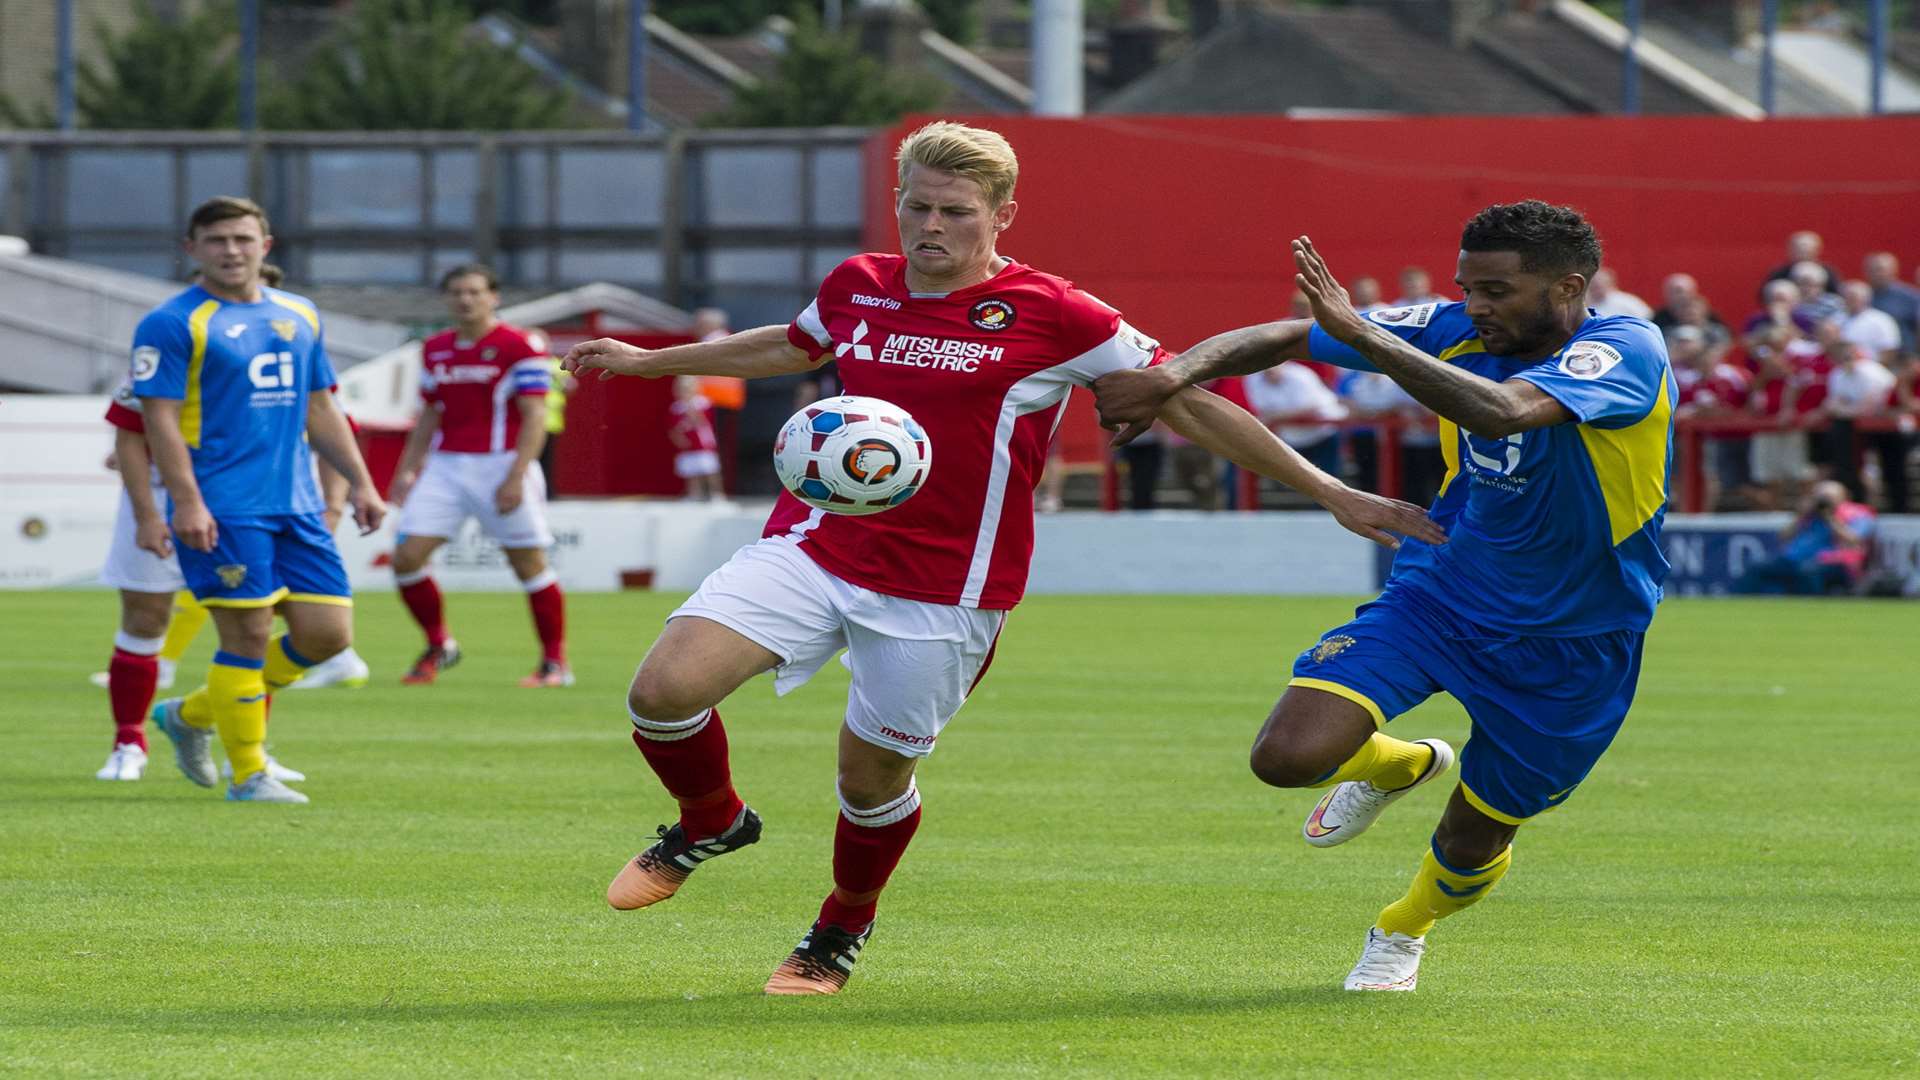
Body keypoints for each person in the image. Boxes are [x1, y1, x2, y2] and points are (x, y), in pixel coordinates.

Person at [559, 121, 1441, 997]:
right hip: (815, 544)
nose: (930, 226)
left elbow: (1189, 403)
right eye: (916, 206)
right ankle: (711, 819)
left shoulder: (1061, 314)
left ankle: (839, 928)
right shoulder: (859, 284)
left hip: (949, 589)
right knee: (663, 692)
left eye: (954, 211)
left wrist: (1333, 491)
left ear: (1002, 215)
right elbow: (792, 345)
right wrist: (649, 362)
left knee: (869, 783)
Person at [1094, 201, 1673, 993]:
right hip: (1445, 591)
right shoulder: (1453, 326)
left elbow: (1500, 409)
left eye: (1497, 290)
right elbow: (1284, 336)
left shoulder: (1625, 350)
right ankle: (1400, 764)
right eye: (1467, 287)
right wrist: (1172, 374)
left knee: (1475, 835)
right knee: (1287, 757)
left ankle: (1403, 928)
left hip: (1577, 637)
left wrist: (1368, 338)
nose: (1474, 306)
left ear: (1568, 286)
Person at [141, 196, 384, 805]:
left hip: (297, 504)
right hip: (224, 506)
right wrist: (186, 502)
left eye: (243, 239)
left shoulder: (299, 313)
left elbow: (321, 405)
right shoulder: (174, 323)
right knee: (246, 635)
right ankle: (249, 775)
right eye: (217, 239)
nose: (231, 250)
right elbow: (160, 423)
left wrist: (361, 481)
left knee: (328, 634)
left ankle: (192, 714)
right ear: (191, 248)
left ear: (265, 247)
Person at [386, 264, 570, 688]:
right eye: (456, 292)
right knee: (406, 558)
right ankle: (439, 644)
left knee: (528, 564)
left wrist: (515, 476)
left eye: (474, 292)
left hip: (502, 463)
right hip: (446, 467)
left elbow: (535, 414)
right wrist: (406, 470)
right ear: (446, 299)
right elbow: (430, 413)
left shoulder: (519, 346)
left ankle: (554, 663)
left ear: (494, 297)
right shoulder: (434, 348)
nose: (465, 300)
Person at [1732, 481, 1875, 594]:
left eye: (1828, 498)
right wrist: (1801, 515)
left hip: (1833, 561)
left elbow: (1854, 540)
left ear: (1843, 497)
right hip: (1795, 559)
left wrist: (1830, 517)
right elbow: (1783, 537)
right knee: (1757, 567)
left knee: (1808, 572)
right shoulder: (1809, 515)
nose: (1823, 502)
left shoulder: (1857, 514)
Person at [668, 375, 724, 500]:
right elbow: (674, 428)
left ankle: (716, 494)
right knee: (691, 471)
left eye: (688, 388)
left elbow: (703, 422)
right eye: (682, 389)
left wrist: (690, 409)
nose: (685, 392)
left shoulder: (703, 403)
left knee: (709, 470)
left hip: (703, 443)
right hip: (688, 445)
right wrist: (678, 438)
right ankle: (694, 494)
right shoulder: (676, 408)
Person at [1588, 267, 1652, 320]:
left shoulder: (1626, 302)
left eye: (1599, 286)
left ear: (1609, 283)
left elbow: (1647, 318)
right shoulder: (1588, 306)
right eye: (1593, 286)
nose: (1597, 289)